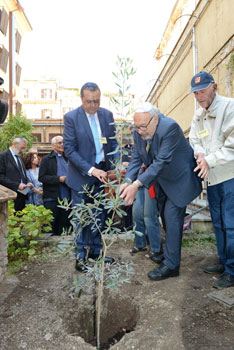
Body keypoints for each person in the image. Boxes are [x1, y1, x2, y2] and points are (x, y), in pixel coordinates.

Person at [120, 102, 202, 281]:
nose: (139, 131)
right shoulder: (140, 130)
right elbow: (137, 157)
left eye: (143, 127)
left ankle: (172, 266)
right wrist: (127, 180)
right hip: (162, 182)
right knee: (166, 219)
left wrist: (137, 185)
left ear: (155, 119)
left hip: (180, 180)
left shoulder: (169, 127)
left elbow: (161, 161)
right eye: (136, 127)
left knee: (172, 218)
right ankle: (169, 254)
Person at [63, 82, 118, 272]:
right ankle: (80, 257)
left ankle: (95, 252)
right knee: (81, 218)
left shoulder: (106, 115)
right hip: (81, 177)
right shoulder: (71, 118)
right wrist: (91, 170)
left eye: (96, 101)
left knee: (99, 216)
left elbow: (112, 143)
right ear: (81, 99)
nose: (93, 105)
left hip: (102, 176)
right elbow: (69, 149)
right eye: (89, 102)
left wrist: (116, 165)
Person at [189, 71, 234, 289]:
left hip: (230, 176)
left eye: (203, 91)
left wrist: (210, 159)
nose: (199, 96)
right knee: (218, 224)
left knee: (231, 225)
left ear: (214, 87)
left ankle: (232, 270)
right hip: (212, 179)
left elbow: (232, 145)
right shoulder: (198, 115)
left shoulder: (229, 107)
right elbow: (194, 138)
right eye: (195, 93)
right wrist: (199, 153)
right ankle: (225, 261)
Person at [39, 136, 71, 236]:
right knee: (50, 225)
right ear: (53, 145)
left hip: (67, 197)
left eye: (63, 143)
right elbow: (42, 177)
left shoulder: (68, 158)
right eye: (60, 143)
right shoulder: (46, 159)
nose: (62, 145)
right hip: (52, 197)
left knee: (65, 225)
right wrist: (59, 179)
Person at [130, 180, 162, 262]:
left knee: (149, 215)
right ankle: (140, 244)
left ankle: (156, 248)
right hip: (137, 181)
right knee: (136, 213)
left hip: (151, 181)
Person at [0, 137, 33, 211]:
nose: (23, 151)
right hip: (10, 196)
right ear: (15, 144)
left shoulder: (20, 158)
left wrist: (28, 182)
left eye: (24, 148)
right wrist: (17, 185)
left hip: (22, 195)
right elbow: (1, 177)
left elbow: (22, 174)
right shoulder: (2, 156)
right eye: (22, 148)